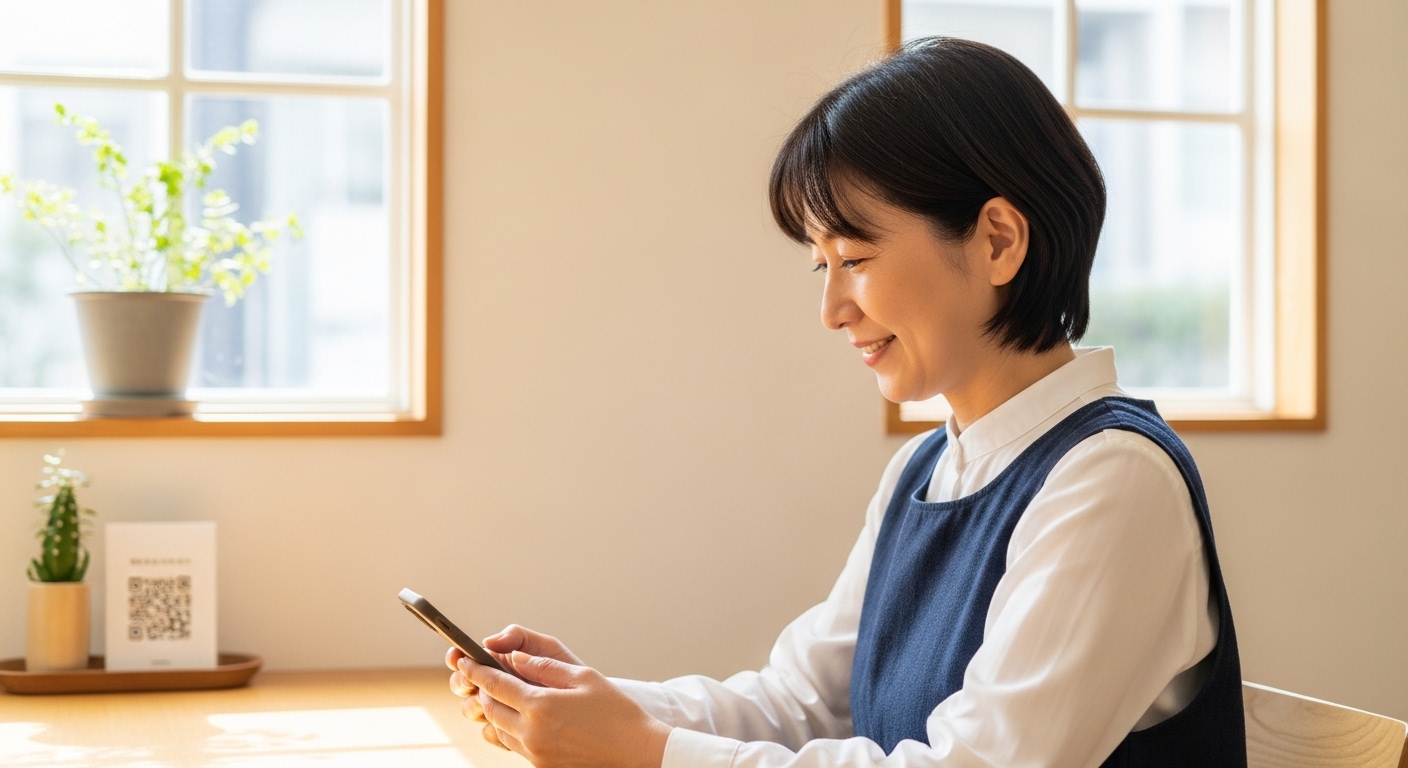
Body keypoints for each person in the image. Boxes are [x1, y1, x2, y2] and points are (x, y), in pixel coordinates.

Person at [447, 37, 1246, 768]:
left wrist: (647, 753)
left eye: (855, 258)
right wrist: (595, 705)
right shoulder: (925, 468)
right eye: (820, 264)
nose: (832, 309)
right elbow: (802, 704)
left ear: (998, 240)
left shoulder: (1112, 481)